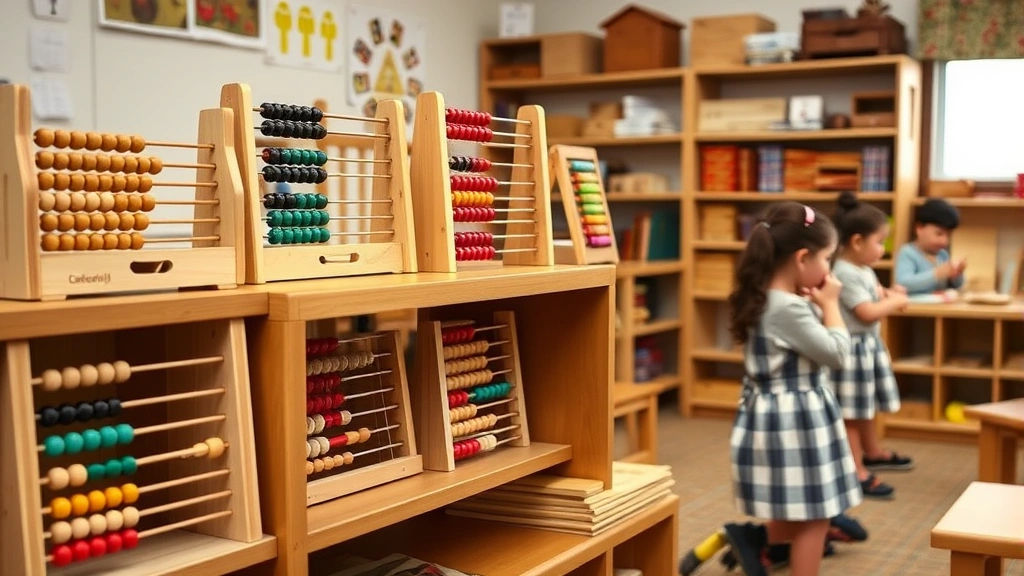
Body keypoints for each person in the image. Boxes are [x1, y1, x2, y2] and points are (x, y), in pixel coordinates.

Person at [721, 203, 862, 576]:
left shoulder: (768, 298)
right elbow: (838, 354)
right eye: (828, 258)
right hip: (797, 420)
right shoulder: (788, 309)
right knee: (815, 516)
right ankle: (763, 546)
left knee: (796, 507)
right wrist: (831, 305)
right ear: (803, 258)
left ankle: (750, 539)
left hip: (775, 413)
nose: (830, 269)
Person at [829, 192, 912, 501]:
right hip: (851, 352)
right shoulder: (844, 273)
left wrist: (891, 293)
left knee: (865, 409)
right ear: (856, 241)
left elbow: (875, 294)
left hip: (866, 349)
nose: (883, 248)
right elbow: (866, 312)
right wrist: (894, 303)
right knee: (851, 414)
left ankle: (873, 451)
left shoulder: (862, 269)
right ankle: (856, 471)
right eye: (879, 242)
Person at [894, 198, 965, 295]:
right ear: (919, 229)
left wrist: (957, 275)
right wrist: (936, 274)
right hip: (916, 308)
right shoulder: (908, 253)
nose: (944, 241)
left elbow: (955, 286)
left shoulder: (942, 255)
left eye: (948, 235)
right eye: (939, 234)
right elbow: (903, 283)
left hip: (939, 307)